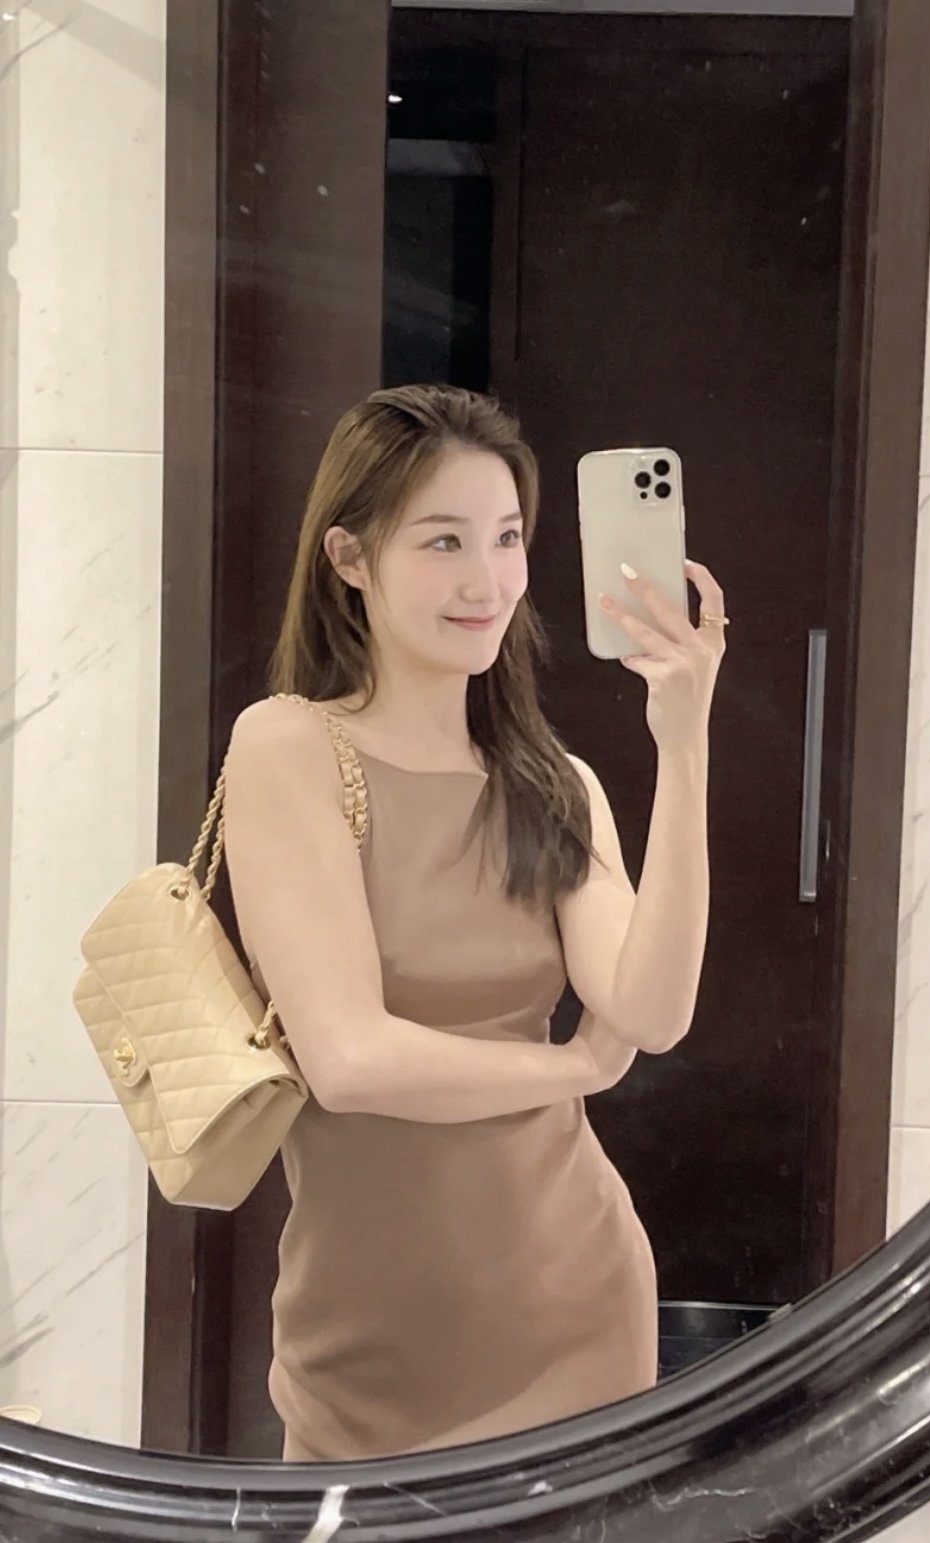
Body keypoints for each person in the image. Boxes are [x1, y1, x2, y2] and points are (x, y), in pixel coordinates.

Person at [222, 384, 728, 1462]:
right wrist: (574, 1068)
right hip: (363, 1352)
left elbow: (653, 1010)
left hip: (578, 1315)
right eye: (443, 540)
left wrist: (682, 744)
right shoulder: (288, 747)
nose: (486, 580)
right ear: (350, 558)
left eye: (506, 539)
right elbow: (349, 1061)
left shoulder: (557, 784)